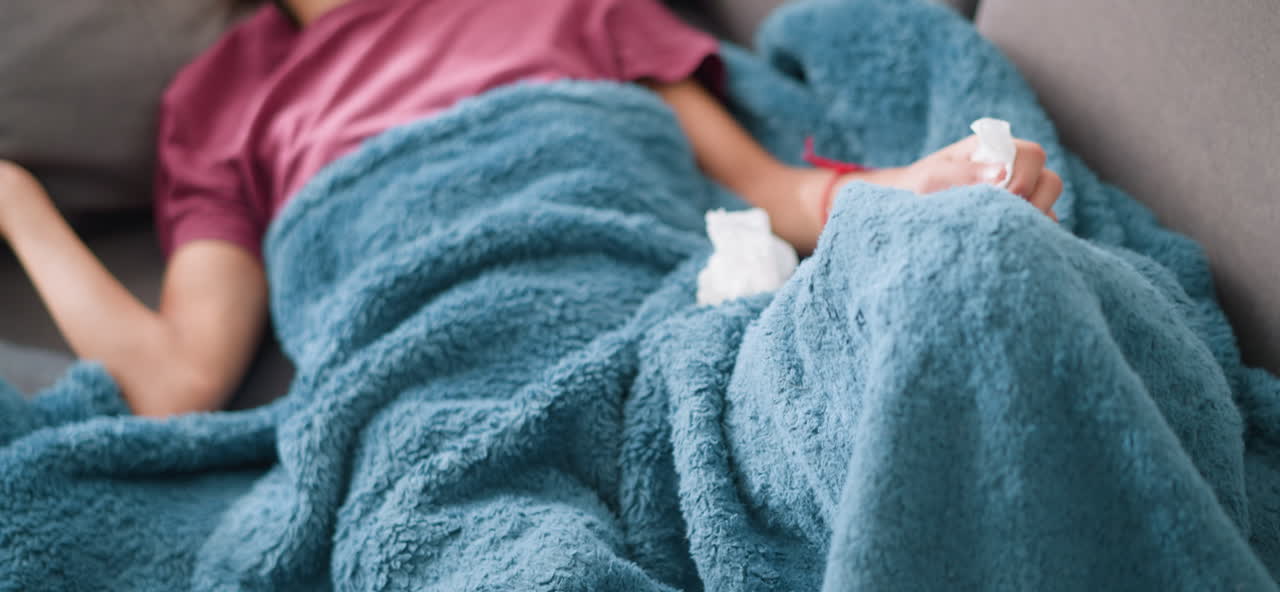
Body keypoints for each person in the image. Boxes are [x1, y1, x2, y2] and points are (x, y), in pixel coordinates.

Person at [0, 0, 1061, 417]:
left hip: (649, 319)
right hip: (431, 379)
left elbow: (770, 191)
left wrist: (920, 188)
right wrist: (19, 204)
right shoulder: (224, 94)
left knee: (976, 307)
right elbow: (180, 377)